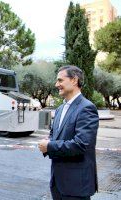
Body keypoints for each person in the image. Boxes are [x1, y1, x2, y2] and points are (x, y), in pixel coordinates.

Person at [38, 65, 99, 200]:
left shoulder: (87, 108)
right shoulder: (60, 109)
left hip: (76, 186)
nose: (56, 84)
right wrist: (48, 141)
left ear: (74, 80)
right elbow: (55, 135)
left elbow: (81, 144)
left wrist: (49, 146)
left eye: (60, 80)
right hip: (57, 183)